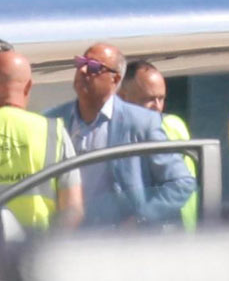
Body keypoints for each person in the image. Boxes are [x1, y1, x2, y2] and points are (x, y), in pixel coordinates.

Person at [44, 43, 195, 228]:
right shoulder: (51, 121)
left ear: (115, 80)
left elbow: (181, 183)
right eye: (81, 62)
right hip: (69, 242)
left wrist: (142, 218)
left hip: (121, 246)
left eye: (93, 67)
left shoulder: (141, 122)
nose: (83, 70)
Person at [0, 50, 83, 230]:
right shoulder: (53, 132)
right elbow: (73, 207)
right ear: (28, 86)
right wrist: (52, 247)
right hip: (37, 247)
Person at [119, 60, 197, 230]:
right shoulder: (114, 133)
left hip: (173, 233)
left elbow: (180, 186)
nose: (157, 106)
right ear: (123, 98)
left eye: (161, 98)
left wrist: (141, 219)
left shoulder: (173, 126)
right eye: (149, 99)